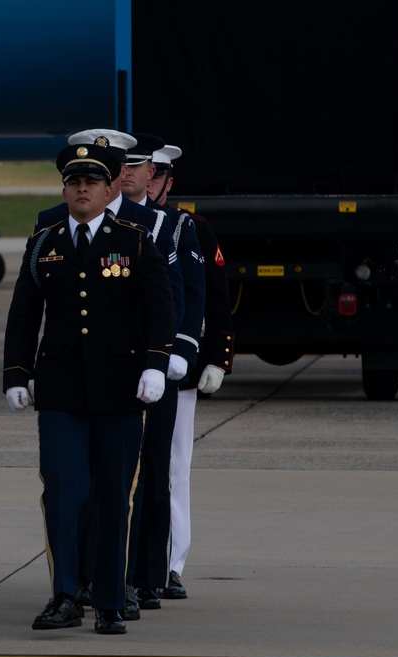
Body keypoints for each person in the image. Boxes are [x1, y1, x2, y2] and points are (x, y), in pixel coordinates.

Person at [4, 143, 176, 635]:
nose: (82, 188)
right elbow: (23, 313)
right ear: (64, 189)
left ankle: (107, 600)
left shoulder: (136, 240)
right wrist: (16, 373)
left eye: (92, 181)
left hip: (119, 389)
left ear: (108, 189)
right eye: (74, 181)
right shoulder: (45, 242)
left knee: (112, 496)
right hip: (60, 391)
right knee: (63, 493)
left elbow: (161, 308)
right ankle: (63, 595)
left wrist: (155, 365)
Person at [120, 133, 205, 615]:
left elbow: (188, 296)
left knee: (157, 474)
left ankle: (150, 574)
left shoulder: (173, 228)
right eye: (123, 166)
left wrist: (181, 352)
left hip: (159, 365)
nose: (132, 174)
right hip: (113, 364)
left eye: (139, 167)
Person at [146, 144, 235, 600]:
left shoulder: (193, 228)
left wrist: (218, 358)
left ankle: (171, 563)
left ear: (167, 181)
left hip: (179, 369)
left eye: (156, 175)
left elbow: (214, 300)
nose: (146, 181)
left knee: (174, 469)